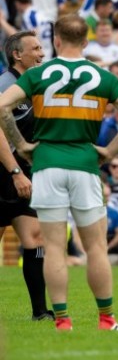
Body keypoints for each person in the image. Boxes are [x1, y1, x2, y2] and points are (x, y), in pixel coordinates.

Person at [0, 14, 118, 331]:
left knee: (52, 247)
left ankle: (62, 321)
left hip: (46, 164)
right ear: (87, 42)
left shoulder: (40, 73)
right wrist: (109, 150)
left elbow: (1, 107)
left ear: (57, 41)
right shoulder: (100, 74)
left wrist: (22, 145)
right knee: (96, 247)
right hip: (85, 162)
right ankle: (106, 318)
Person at [0, 31, 51, 321]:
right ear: (18, 55)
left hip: (25, 171)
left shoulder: (38, 86)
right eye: (36, 48)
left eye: (42, 47)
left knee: (34, 236)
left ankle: (40, 313)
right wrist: (15, 172)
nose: (42, 53)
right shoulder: (4, 86)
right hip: (6, 171)